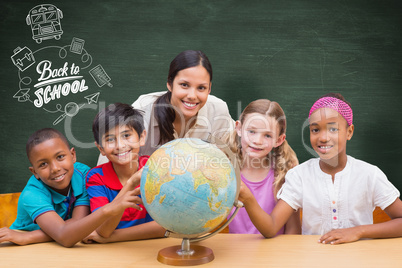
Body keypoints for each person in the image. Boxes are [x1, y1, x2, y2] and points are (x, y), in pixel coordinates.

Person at [247, 93, 402, 244]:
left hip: (359, 260)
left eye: (333, 129)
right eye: (315, 130)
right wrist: (248, 198)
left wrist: (358, 231)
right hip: (313, 259)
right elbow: (272, 226)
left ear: (349, 132)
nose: (323, 137)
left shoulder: (369, 174)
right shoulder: (299, 176)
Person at [0, 128, 142, 247]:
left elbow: (77, 225)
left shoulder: (84, 175)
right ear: (34, 172)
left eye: (60, 157)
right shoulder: (32, 194)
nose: (55, 168)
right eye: (43, 164)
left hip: (58, 243)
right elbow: (65, 236)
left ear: (73, 155)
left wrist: (32, 237)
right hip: (23, 248)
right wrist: (26, 238)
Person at [98, 50, 234, 164]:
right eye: (184, 85)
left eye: (201, 88)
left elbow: (234, 157)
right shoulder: (143, 111)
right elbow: (109, 164)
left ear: (209, 89)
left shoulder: (218, 110)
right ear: (169, 84)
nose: (192, 95)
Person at [83, 103, 165, 244]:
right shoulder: (96, 177)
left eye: (126, 135)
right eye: (110, 139)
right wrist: (130, 183)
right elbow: (104, 230)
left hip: (152, 248)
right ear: (100, 148)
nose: (120, 145)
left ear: (142, 137)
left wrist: (112, 238)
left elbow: (165, 226)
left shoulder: (155, 168)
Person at [226, 99, 301, 235]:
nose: (257, 141)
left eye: (267, 135)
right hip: (233, 253)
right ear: (239, 128)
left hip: (273, 254)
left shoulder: (284, 173)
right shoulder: (225, 170)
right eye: (252, 131)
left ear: (279, 140)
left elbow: (293, 230)